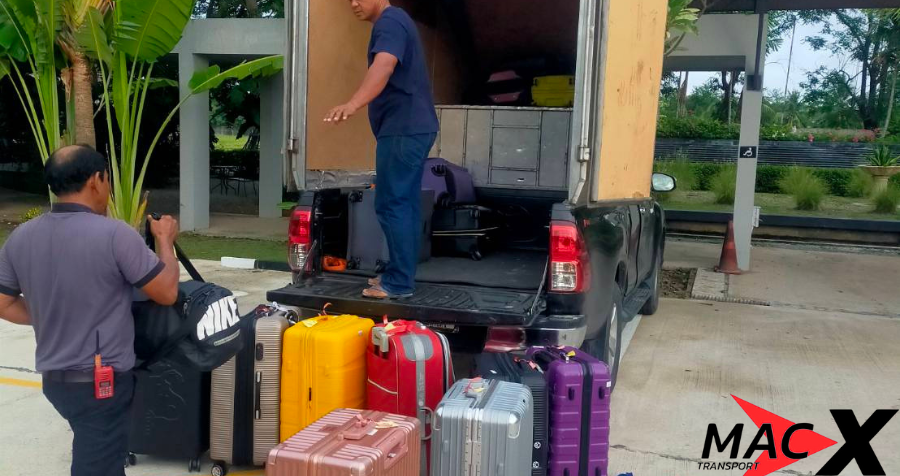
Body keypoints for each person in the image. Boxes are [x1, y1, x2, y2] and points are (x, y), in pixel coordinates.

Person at [0, 145, 181, 476]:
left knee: (102, 457)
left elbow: (4, 303)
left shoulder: (20, 237)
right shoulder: (114, 234)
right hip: (100, 383)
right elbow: (167, 292)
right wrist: (165, 241)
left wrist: (51, 314)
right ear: (96, 180)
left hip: (56, 381)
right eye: (107, 179)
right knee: (97, 466)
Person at [325, 0, 439, 299]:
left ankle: (399, 282)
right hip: (410, 129)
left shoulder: (390, 22)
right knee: (404, 203)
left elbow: (384, 65)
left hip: (403, 129)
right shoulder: (396, 21)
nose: (353, 4)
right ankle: (400, 274)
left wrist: (353, 104)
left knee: (392, 203)